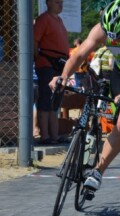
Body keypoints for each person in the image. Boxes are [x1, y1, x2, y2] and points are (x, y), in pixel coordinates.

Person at [49, 0, 120, 214]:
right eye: (113, 37)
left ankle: (98, 172)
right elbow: (79, 54)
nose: (117, 40)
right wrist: (63, 77)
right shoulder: (102, 30)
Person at [33, 0, 70, 145]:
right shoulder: (43, 19)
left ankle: (54, 136)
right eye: (56, 2)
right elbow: (35, 41)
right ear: (48, 3)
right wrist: (38, 58)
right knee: (46, 100)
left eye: (61, 2)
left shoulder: (59, 20)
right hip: (47, 63)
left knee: (55, 102)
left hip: (59, 64)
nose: (60, 5)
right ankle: (45, 136)